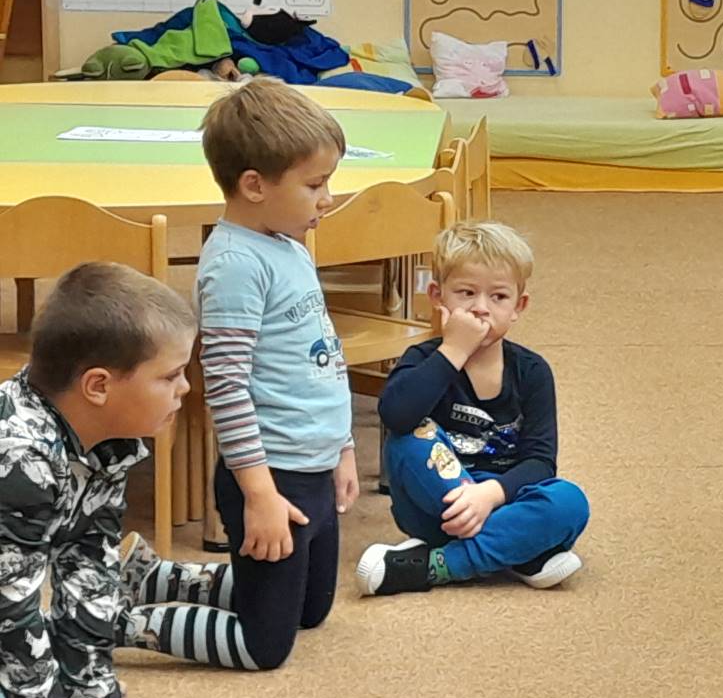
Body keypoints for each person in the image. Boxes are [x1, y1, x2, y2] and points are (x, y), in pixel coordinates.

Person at [1, 263, 249, 698]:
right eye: (170, 376)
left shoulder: (106, 433)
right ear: (98, 386)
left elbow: (88, 551)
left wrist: (84, 675)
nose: (186, 388)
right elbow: (9, 598)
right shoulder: (20, 458)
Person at [193, 78, 359, 668]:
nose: (327, 199)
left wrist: (343, 447)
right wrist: (259, 494)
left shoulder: (289, 245)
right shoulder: (236, 265)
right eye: (314, 185)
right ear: (254, 186)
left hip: (313, 465)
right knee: (264, 647)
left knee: (311, 612)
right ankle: (116, 617)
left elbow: (323, 354)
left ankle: (167, 579)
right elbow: (226, 389)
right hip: (272, 474)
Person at [356, 220, 588, 596]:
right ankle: (520, 549)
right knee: (407, 441)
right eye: (466, 293)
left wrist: (489, 495)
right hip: (437, 508)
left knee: (570, 502)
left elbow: (540, 462)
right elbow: (396, 417)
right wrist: (454, 350)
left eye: (498, 297)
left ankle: (435, 566)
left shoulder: (532, 372)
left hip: (501, 498)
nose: (481, 308)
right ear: (437, 295)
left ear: (518, 306)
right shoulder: (422, 359)